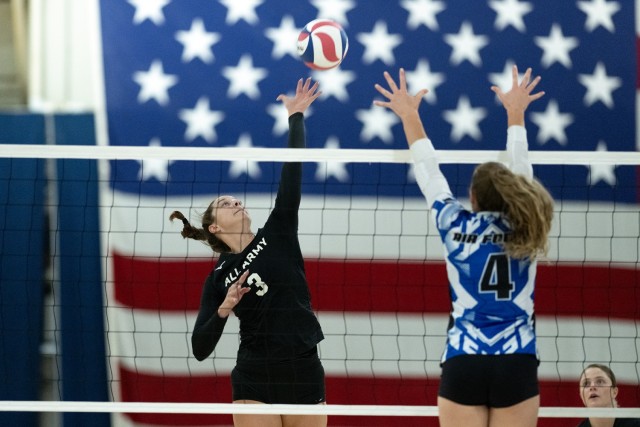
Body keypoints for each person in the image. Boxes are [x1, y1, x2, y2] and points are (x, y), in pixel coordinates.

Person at [374, 65, 553, 427]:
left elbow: (429, 172)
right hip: (516, 358)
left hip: (465, 357)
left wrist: (409, 115)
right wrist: (515, 113)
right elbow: (522, 167)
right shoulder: (526, 225)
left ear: (472, 198)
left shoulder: (454, 224)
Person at [170, 78, 327, 427]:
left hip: (304, 366)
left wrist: (296, 117)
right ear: (214, 227)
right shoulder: (217, 279)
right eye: (226, 204)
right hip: (256, 373)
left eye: (237, 200)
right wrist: (225, 307)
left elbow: (293, 173)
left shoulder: (278, 231)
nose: (236, 202)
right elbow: (199, 348)